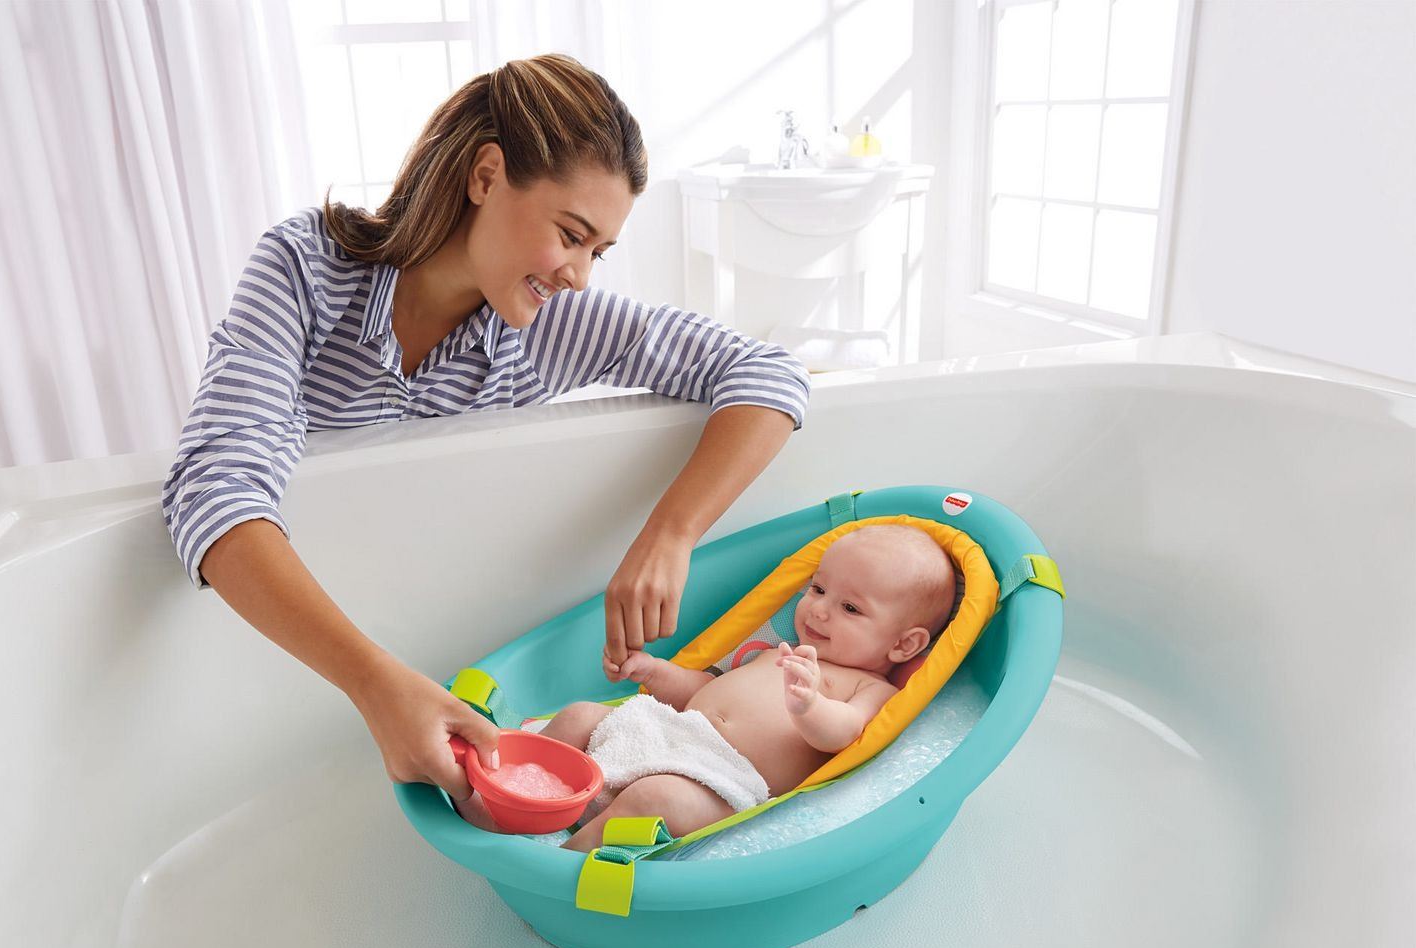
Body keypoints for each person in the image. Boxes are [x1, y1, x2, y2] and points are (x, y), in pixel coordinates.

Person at [160, 54, 810, 808]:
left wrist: (672, 534)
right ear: (486, 175)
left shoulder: (553, 323)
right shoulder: (306, 271)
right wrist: (375, 684)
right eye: (570, 234)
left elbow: (769, 373)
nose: (579, 275)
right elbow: (215, 488)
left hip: (435, 648)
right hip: (288, 674)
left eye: (598, 252)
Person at [456, 524, 958, 851]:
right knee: (578, 716)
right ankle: (510, 803)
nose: (819, 610)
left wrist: (809, 705)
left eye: (849, 608)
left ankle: (561, 857)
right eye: (818, 589)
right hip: (668, 732)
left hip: (721, 781)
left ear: (905, 644)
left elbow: (843, 734)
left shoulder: (870, 689)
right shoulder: (774, 652)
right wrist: (653, 672)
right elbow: (703, 690)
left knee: (657, 797)